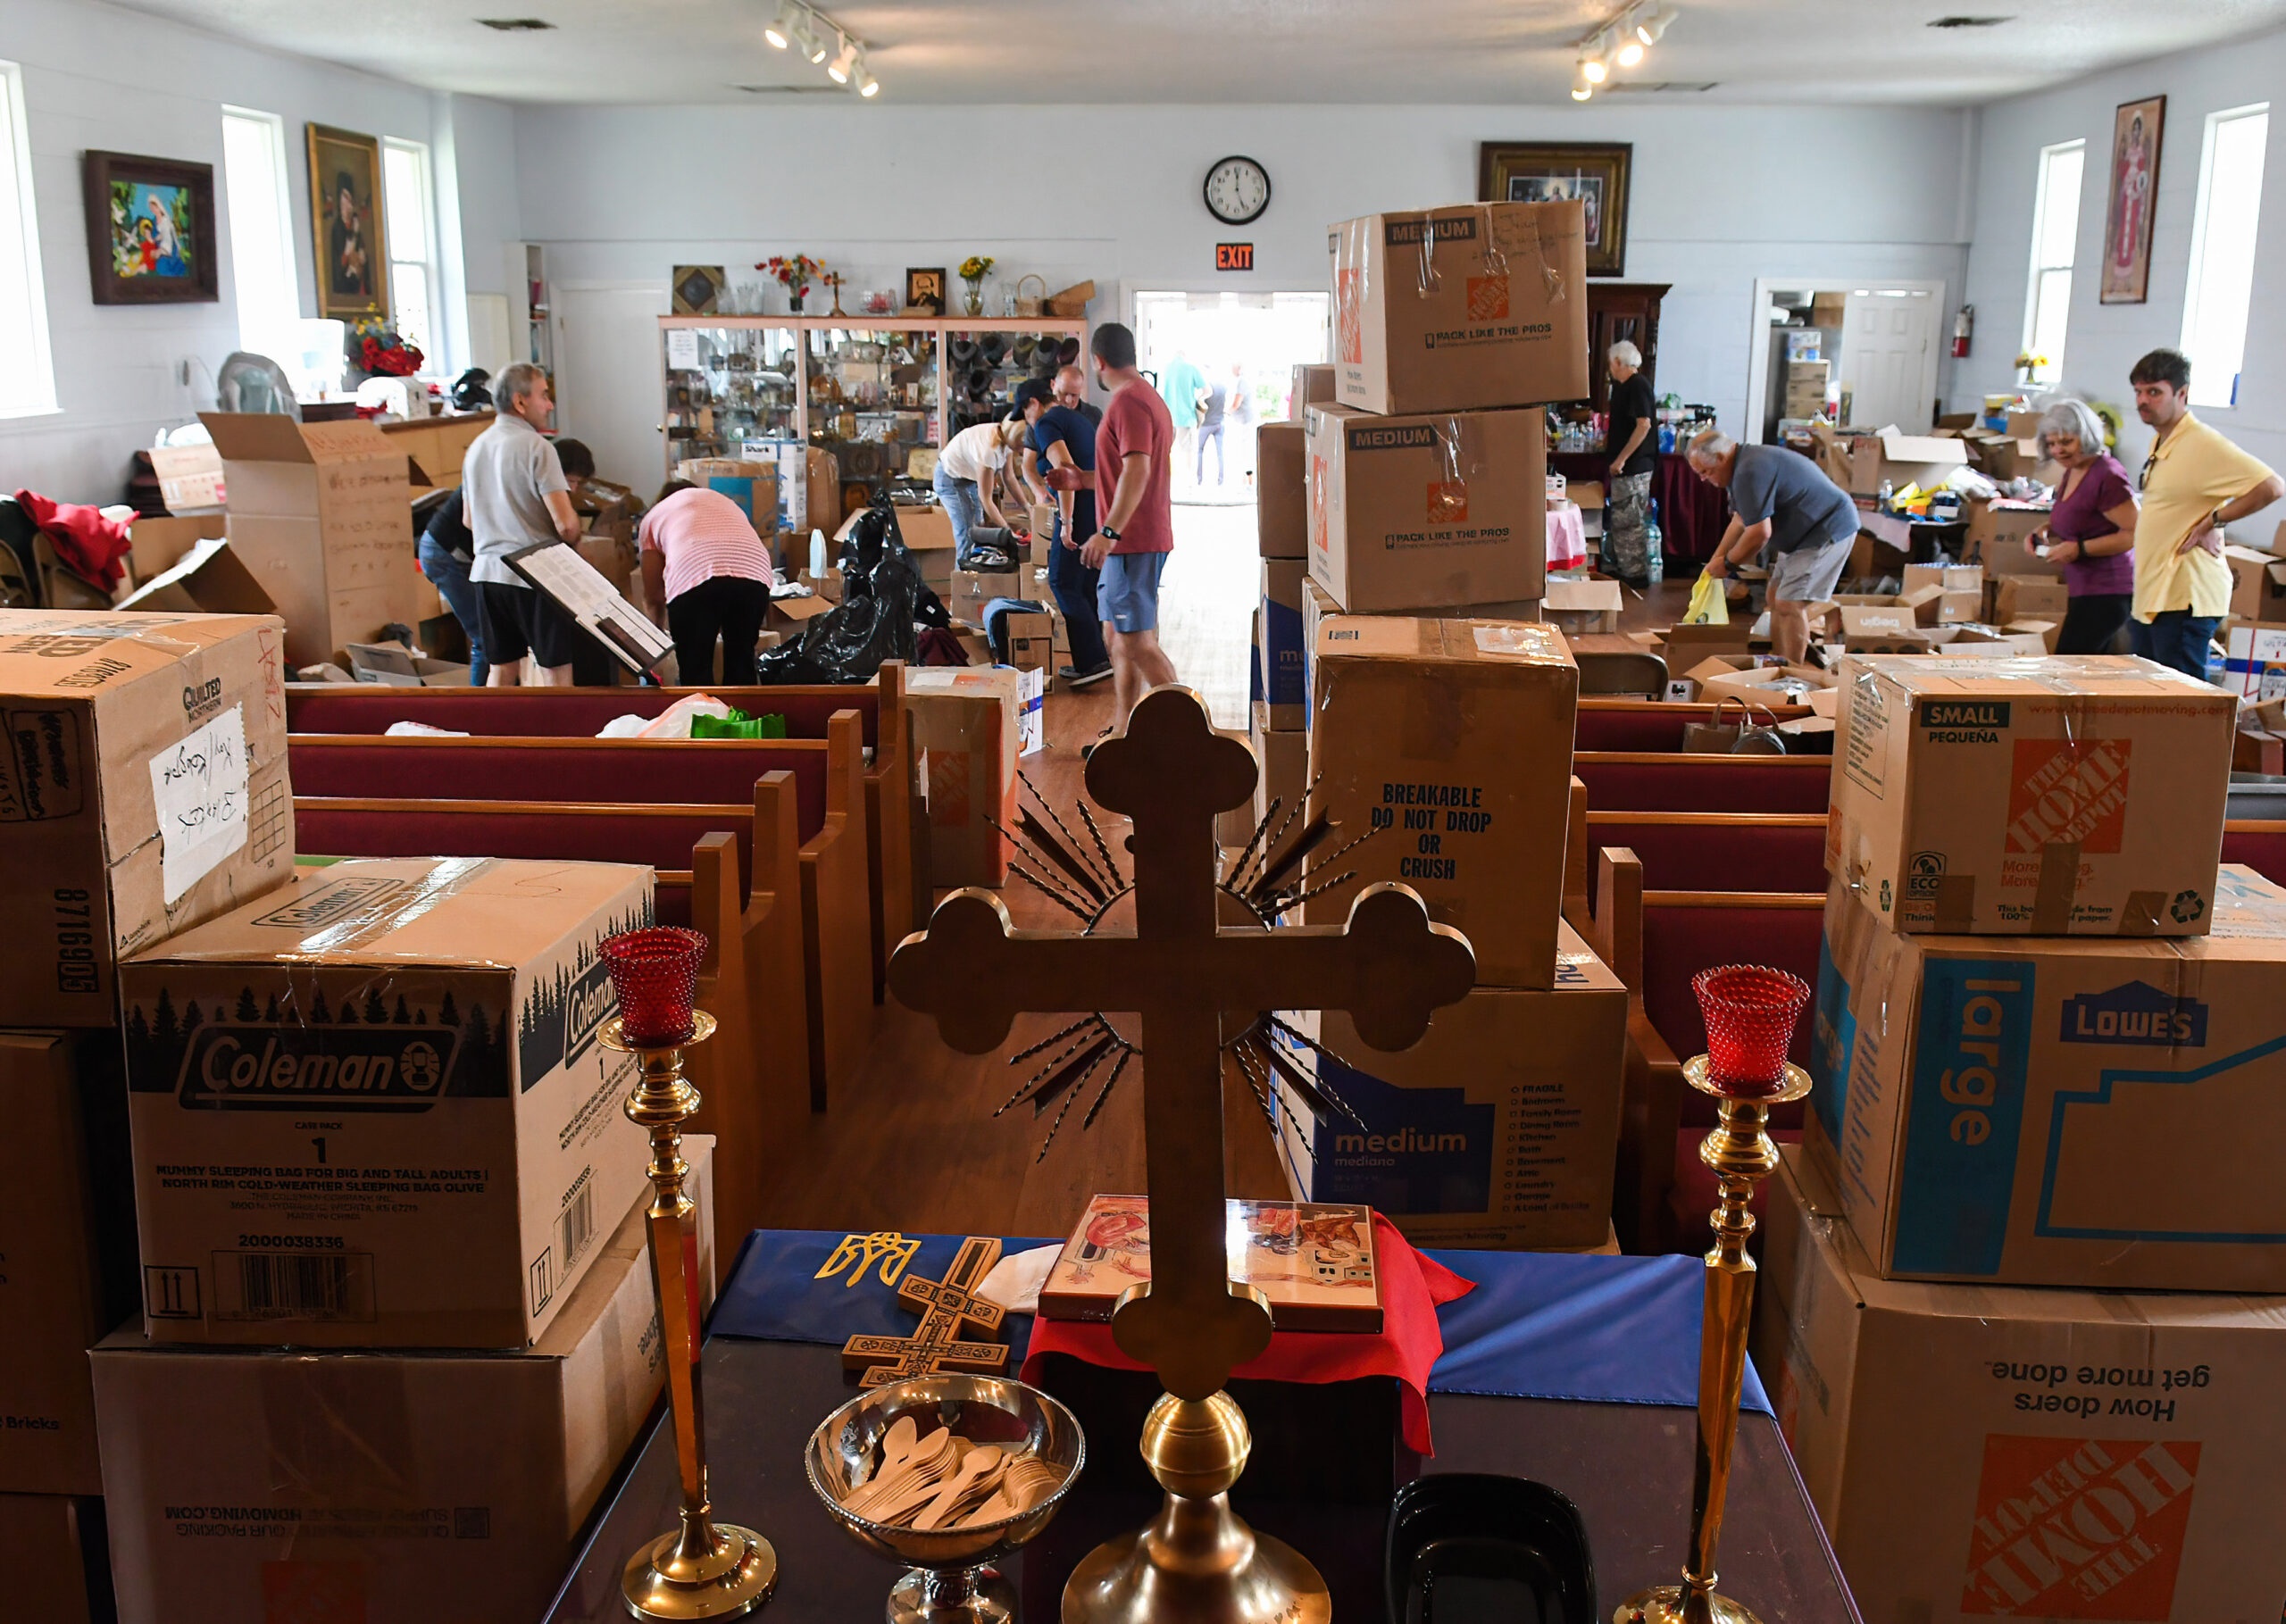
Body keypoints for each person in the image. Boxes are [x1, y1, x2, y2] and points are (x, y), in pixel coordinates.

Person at [2124, 347, 2285, 678]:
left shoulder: (2202, 442)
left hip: (2184, 597)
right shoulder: (2163, 441)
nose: (2143, 400)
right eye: (2139, 391)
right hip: (2154, 593)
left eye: (2154, 392)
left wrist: (2215, 520)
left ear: (2182, 394)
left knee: (2183, 707)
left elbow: (2271, 487)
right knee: (2147, 697)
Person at [1689, 429, 1859, 664]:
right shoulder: (1739, 466)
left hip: (1826, 528)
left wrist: (1727, 564)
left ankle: (1791, 675)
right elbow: (1740, 519)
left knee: (1790, 602)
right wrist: (1714, 561)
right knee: (1774, 595)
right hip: (1801, 534)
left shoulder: (1748, 471)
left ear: (1720, 458)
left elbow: (1760, 533)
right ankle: (1780, 663)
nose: (1704, 479)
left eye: (1706, 472)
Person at [463, 361, 585, 687]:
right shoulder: (538, 447)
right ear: (520, 402)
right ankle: (561, 738)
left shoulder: (475, 448)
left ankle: (496, 736)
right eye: (543, 396)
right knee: (555, 671)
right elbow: (566, 525)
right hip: (535, 575)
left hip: (487, 574)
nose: (549, 405)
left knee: (501, 669)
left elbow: (468, 519)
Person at [1083, 322, 1179, 732]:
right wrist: (1082, 480)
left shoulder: (1130, 403)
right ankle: (1124, 730)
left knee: (1136, 641)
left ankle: (1193, 731)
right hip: (1132, 539)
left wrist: (1108, 533)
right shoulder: (1146, 398)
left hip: (1131, 541)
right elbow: (1126, 469)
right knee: (1117, 639)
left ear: (1098, 361)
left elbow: (1137, 469)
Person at [1014, 379, 1113, 687]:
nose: (1028, 420)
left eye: (1025, 412)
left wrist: (1066, 522)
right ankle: (1100, 657)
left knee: (1061, 581)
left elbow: (1067, 472)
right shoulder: (1078, 420)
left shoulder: (1047, 422)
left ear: (1034, 403)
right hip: (1097, 507)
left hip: (1079, 510)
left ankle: (1092, 660)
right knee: (1084, 585)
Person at [2023, 399, 2139, 655]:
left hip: (2108, 592)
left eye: (2066, 442)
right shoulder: (2074, 469)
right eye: (2052, 444)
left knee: (2068, 666)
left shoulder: (2107, 475)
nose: (2058, 451)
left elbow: (2133, 533)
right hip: (2084, 589)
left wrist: (2080, 549)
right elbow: (2078, 515)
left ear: (2086, 437)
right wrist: (2044, 530)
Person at [639, 479, 778, 686]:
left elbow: (654, 597)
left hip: (695, 570)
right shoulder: (723, 502)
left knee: (695, 669)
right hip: (754, 571)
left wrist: (654, 640)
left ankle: (702, 715)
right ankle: (743, 715)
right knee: (741, 663)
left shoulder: (654, 516)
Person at [934, 416, 1030, 569]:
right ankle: (963, 585)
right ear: (1016, 440)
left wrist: (1028, 508)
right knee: (968, 534)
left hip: (968, 479)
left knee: (979, 527)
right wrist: (1007, 531)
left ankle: (978, 583)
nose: (1024, 450)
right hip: (950, 480)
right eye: (1022, 446)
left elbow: (1009, 477)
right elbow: (986, 500)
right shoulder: (990, 452)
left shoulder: (1006, 438)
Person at [418, 487, 488, 685]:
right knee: (485, 636)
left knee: (495, 634)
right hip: (445, 553)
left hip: (464, 554)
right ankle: (477, 708)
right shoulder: (484, 465)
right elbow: (470, 521)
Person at [1604, 340, 1659, 585]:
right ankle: (1625, 568)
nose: (1610, 369)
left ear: (1617, 362)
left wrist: (1621, 459)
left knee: (1630, 521)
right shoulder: (1622, 387)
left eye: (1610, 364)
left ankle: (1635, 574)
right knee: (1621, 520)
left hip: (1634, 467)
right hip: (1626, 466)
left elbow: (1643, 424)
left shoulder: (1638, 385)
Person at [1194, 371, 1229, 487]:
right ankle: (1221, 479)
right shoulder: (1223, 387)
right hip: (1220, 423)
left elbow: (1200, 405)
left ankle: (1199, 478)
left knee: (1199, 450)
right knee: (1220, 453)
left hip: (1207, 424)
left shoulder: (1207, 390)